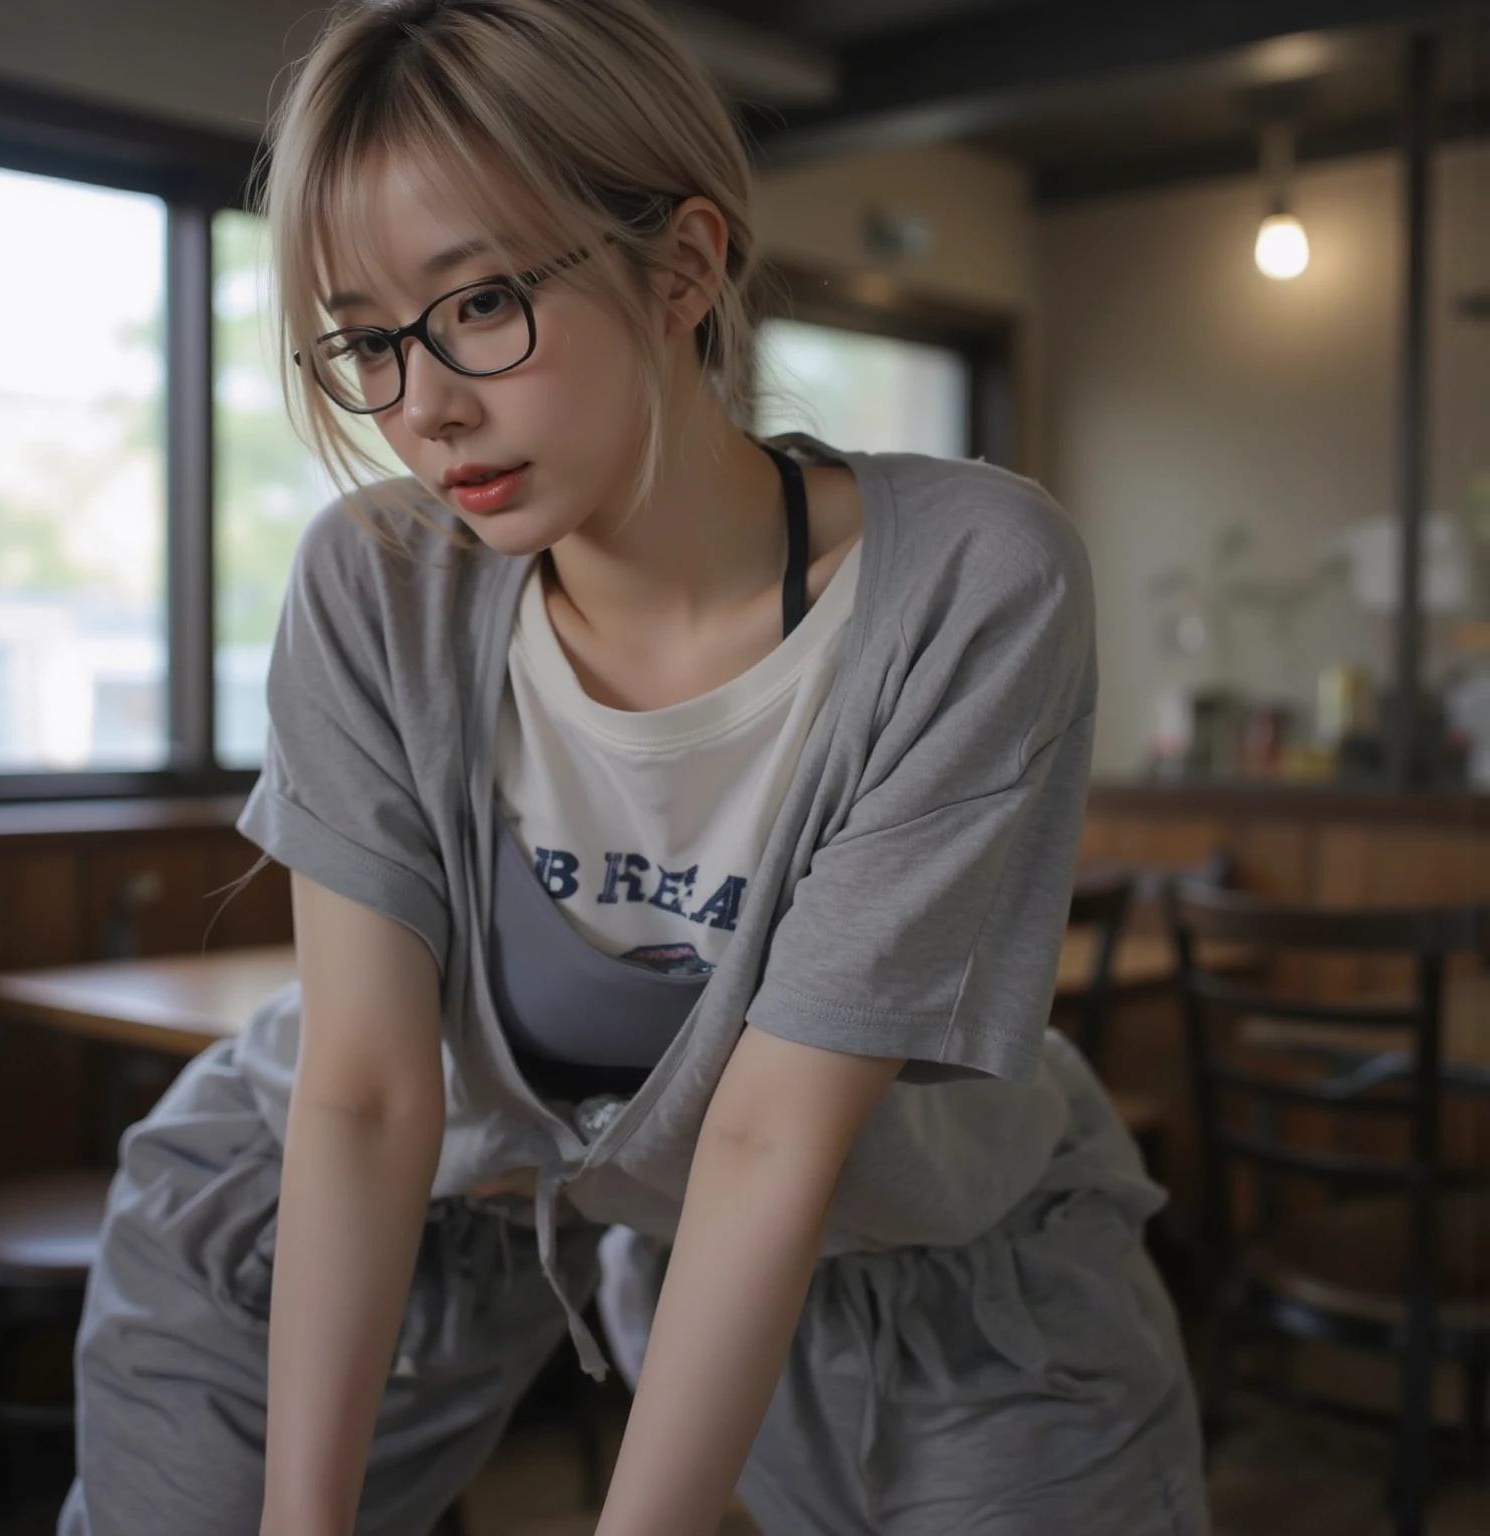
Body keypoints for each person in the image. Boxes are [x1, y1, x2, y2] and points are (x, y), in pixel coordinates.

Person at [60, 2, 1210, 1533]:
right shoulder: (377, 582)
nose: (423, 405)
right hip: (397, 1186)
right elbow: (366, 1096)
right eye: (366, 340)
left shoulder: (969, 582)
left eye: (480, 303)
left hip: (894, 1225)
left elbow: (772, 1131)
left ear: (683, 267)